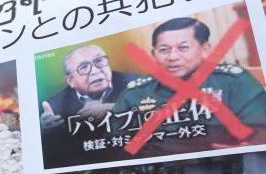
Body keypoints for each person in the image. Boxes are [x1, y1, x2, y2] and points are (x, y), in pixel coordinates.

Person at [112, 17, 266, 153]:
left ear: (205, 49)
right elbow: (116, 142)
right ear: (154, 55)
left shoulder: (233, 80)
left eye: (183, 48)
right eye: (164, 50)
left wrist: (247, 148)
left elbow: (261, 129)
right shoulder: (137, 92)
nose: (172, 57)